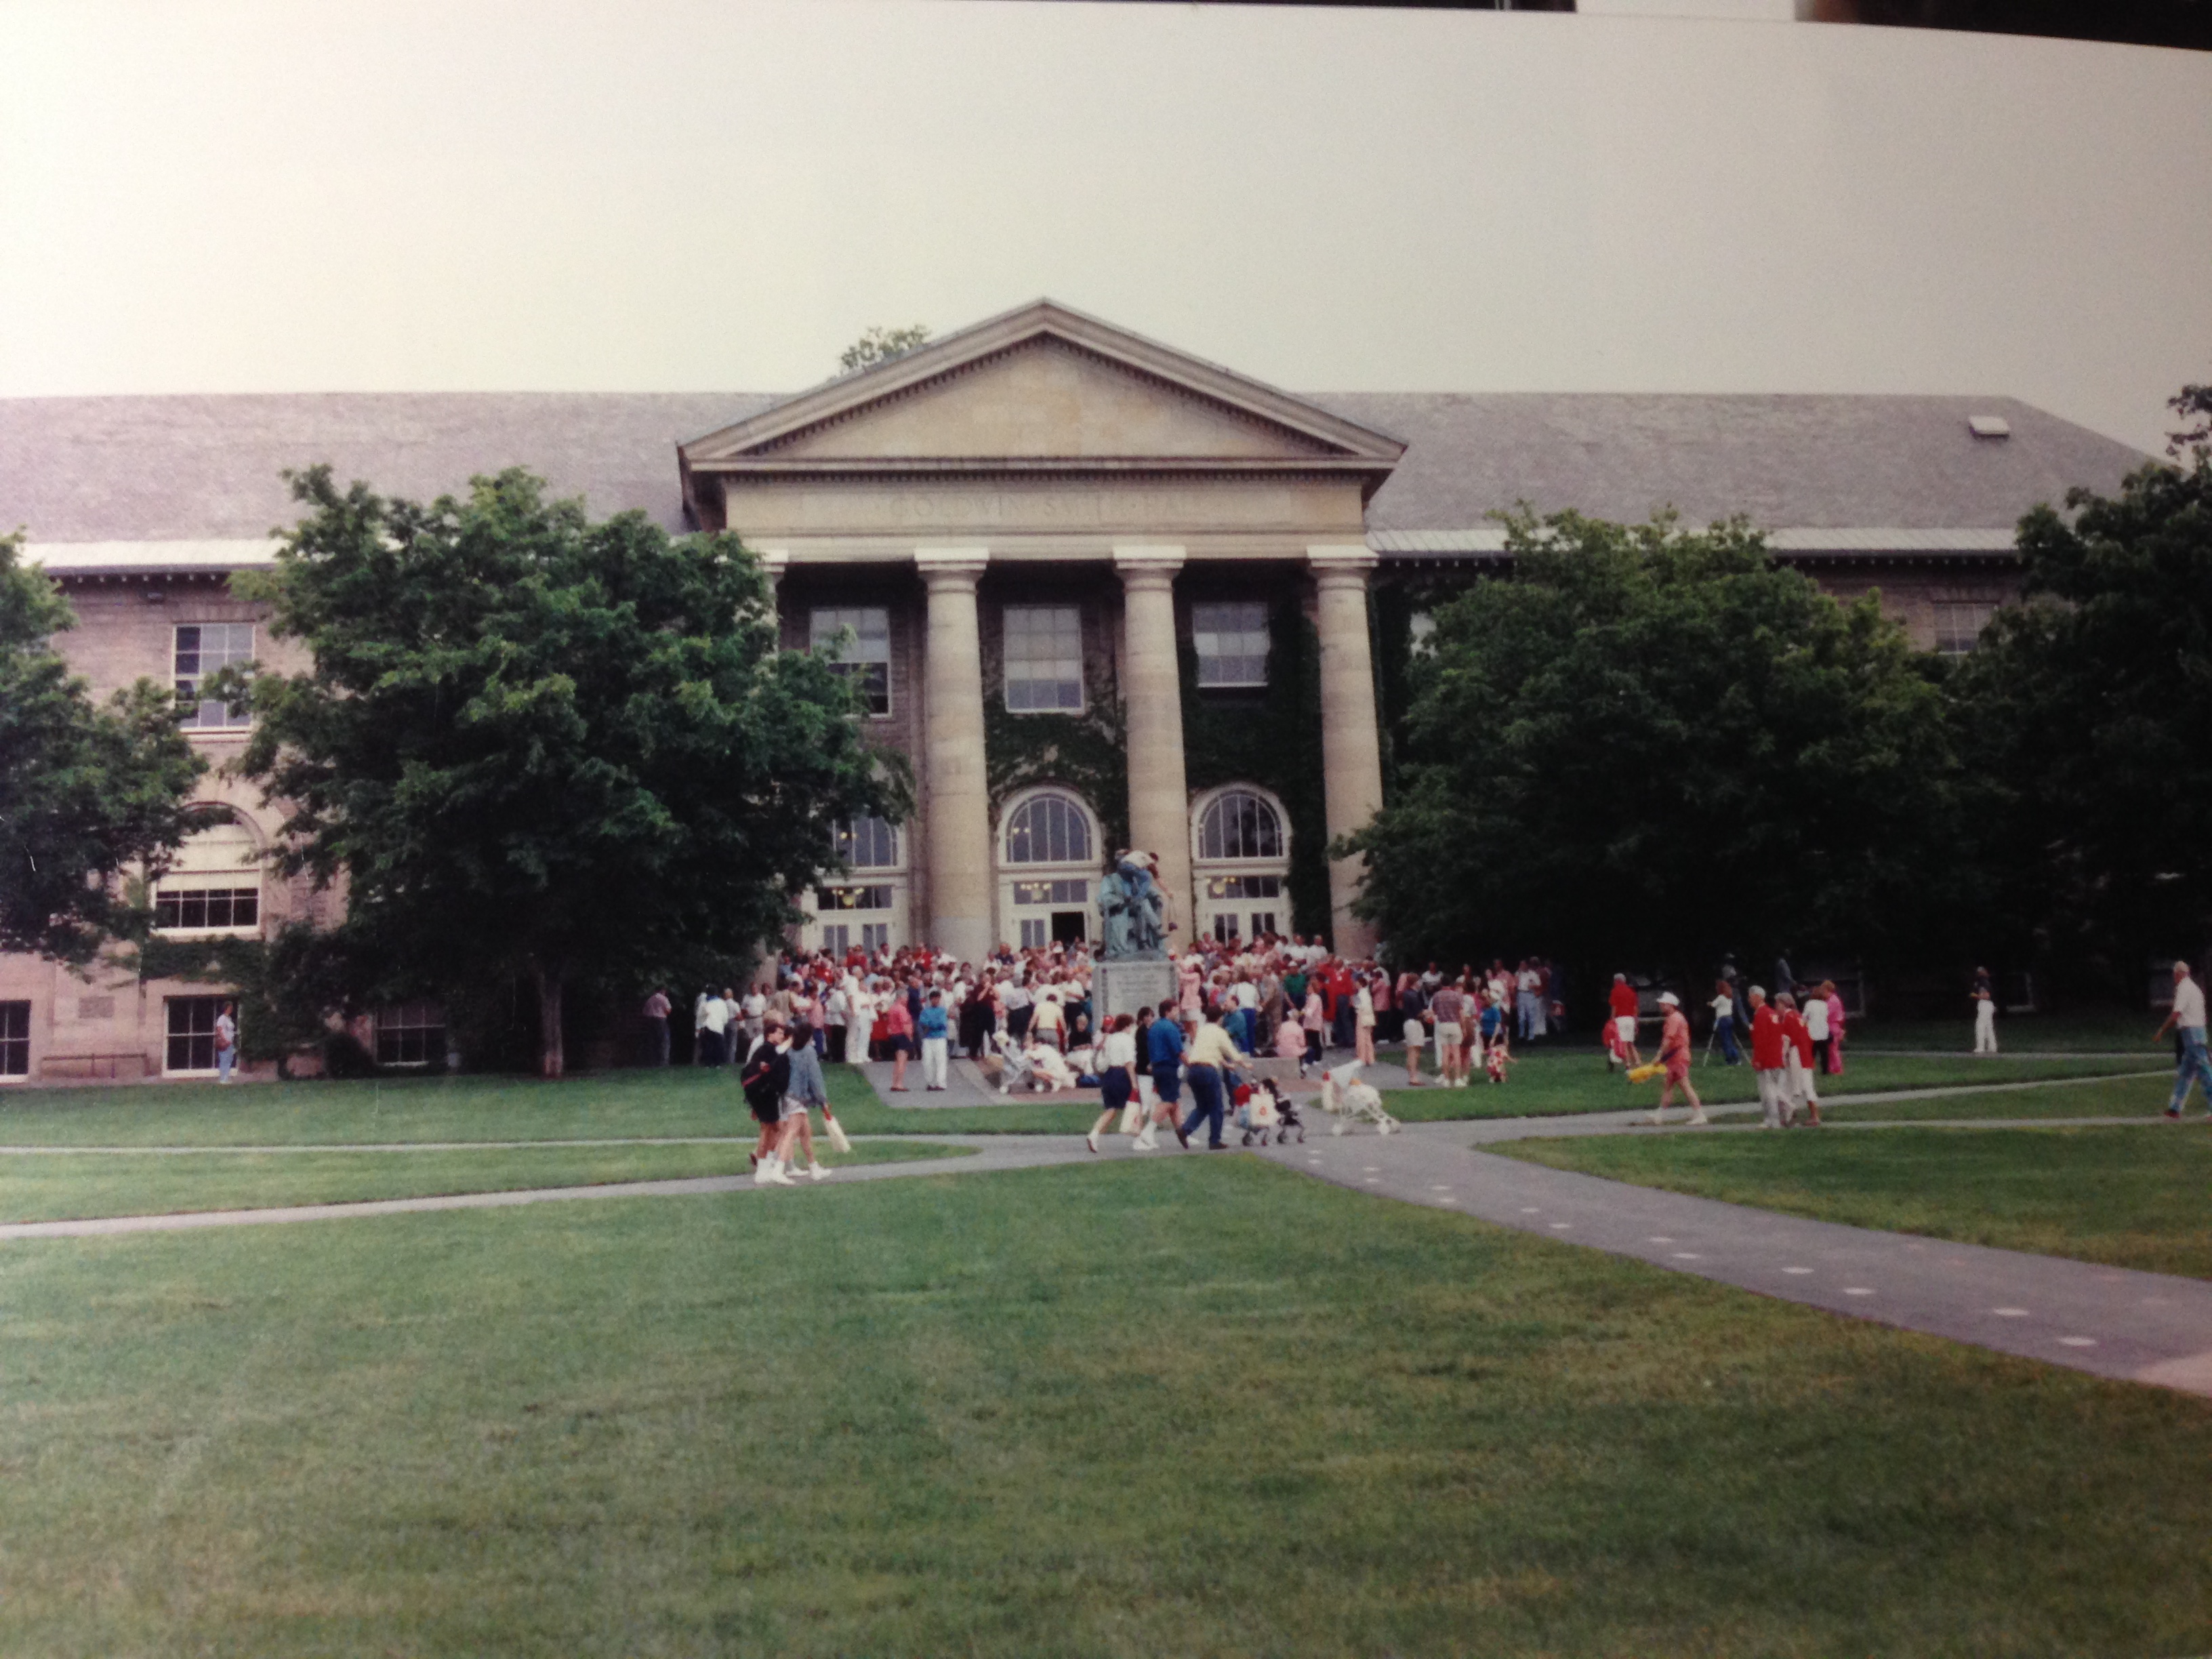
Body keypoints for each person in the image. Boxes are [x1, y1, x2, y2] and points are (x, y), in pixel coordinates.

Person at [777, 1021, 834, 1180]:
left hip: (786, 1095)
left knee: (806, 1133)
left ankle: (814, 1167)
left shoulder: (788, 1050)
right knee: (792, 1132)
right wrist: (823, 1100)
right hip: (799, 1097)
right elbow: (815, 1078)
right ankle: (778, 1169)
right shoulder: (808, 1051)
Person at [741, 1021, 796, 1185]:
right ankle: (763, 1168)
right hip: (767, 1095)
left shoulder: (762, 1050)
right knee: (769, 1130)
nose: (781, 1036)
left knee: (773, 1129)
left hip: (760, 1095)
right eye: (779, 1033)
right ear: (770, 1035)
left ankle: (766, 1165)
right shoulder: (769, 1050)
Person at [1179, 1010, 1242, 1151]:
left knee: (1202, 1106)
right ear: (1220, 1019)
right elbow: (1231, 1052)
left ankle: (1185, 1130)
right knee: (1217, 1106)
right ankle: (1215, 1140)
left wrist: (1226, 1065)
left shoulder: (1201, 1031)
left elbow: (1211, 1052)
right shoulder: (1220, 1032)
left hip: (1193, 1070)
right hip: (1208, 1070)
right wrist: (1243, 1063)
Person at [2156, 960, 2212, 1120]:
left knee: (2205, 1071)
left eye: (2174, 974)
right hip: (2197, 1032)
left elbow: (2176, 1014)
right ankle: (2175, 1109)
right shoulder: (2195, 989)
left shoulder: (2183, 988)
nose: (2174, 978)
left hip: (2191, 1034)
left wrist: (2162, 1030)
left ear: (2178, 974)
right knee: (2185, 1074)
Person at [1648, 991, 1708, 1126]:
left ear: (1671, 1005)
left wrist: (1659, 1056)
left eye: (1663, 1004)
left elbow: (1668, 1040)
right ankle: (1659, 1115)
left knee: (1684, 1086)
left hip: (1678, 1057)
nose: (1661, 1006)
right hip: (1675, 1057)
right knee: (1668, 1086)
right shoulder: (1676, 1017)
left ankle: (1699, 1114)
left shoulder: (1674, 1019)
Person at [1086, 1013, 1140, 1153]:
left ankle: (1094, 1134)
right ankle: (1139, 1137)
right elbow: (1129, 1062)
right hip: (1122, 1074)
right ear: (1127, 1026)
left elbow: (1105, 1059)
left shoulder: (1110, 1039)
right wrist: (1134, 1082)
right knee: (1136, 1105)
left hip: (1109, 1074)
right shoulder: (1127, 1040)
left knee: (1111, 1109)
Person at [1776, 991, 1821, 1127]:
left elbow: (1789, 1040)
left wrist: (1784, 1056)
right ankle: (1791, 1115)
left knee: (1799, 1087)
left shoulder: (1789, 1018)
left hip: (1797, 1058)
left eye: (1777, 1003)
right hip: (1804, 1056)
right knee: (1800, 1086)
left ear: (1783, 1004)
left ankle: (1812, 1116)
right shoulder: (1797, 1016)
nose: (1776, 1007)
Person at [1748, 986, 1789, 1130]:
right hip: (1775, 1057)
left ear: (1758, 997)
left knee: (1767, 1091)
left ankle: (1772, 1119)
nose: (1749, 1000)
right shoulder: (1772, 1014)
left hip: (1766, 1059)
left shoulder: (1761, 1015)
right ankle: (1781, 1116)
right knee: (1775, 1089)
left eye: (1751, 997)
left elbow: (1761, 1040)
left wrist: (1758, 1059)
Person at [1147, 1001, 1187, 1145]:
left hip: (1157, 1067)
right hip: (1168, 1066)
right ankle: (1148, 1130)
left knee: (1174, 1101)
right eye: (1175, 1010)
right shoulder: (1170, 1028)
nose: (1178, 1012)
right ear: (1168, 1011)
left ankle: (1183, 1133)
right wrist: (1191, 1065)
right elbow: (1179, 1051)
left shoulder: (1154, 1027)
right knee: (1168, 1101)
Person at [917, 988, 951, 1090]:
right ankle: (930, 1082)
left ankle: (941, 1083)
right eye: (934, 999)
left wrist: (930, 1024)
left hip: (940, 1037)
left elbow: (942, 1024)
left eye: (938, 999)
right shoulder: (925, 1011)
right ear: (931, 999)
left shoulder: (943, 1010)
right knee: (927, 1061)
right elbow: (922, 1023)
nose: (936, 1001)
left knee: (940, 1061)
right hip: (928, 1038)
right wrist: (932, 1024)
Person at [1607, 973, 1643, 1070]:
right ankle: (1639, 1064)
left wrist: (1612, 1020)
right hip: (1631, 1020)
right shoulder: (1632, 992)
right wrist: (1636, 1023)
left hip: (1620, 1020)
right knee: (1631, 1044)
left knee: (1623, 1044)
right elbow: (1635, 1009)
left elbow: (1614, 1008)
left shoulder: (1615, 992)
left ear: (1616, 981)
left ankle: (1628, 1066)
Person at [884, 991, 915, 1091]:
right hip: (902, 1035)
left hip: (893, 1035)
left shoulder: (892, 1008)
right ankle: (899, 1084)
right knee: (902, 1060)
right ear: (901, 997)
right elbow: (905, 1024)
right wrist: (910, 1036)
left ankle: (894, 1082)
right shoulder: (902, 1009)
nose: (907, 1000)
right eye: (906, 997)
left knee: (897, 1061)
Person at [1803, 981, 1832, 1075]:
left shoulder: (1809, 1004)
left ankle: (1809, 1069)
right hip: (1823, 1031)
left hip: (1812, 1032)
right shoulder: (1824, 1004)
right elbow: (1826, 1016)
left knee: (1812, 1053)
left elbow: (1805, 1017)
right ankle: (1825, 1070)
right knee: (1824, 1053)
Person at [1709, 979, 1740, 1065]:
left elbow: (1713, 1004)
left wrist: (1709, 1003)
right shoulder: (1729, 997)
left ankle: (1730, 1059)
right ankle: (1736, 1058)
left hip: (1723, 1020)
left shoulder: (1721, 997)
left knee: (1725, 1040)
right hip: (1730, 1019)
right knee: (1730, 1039)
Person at [1822, 981, 1847, 1076]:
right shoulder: (1831, 999)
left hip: (1833, 1026)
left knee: (1833, 1049)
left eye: (1824, 990)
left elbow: (1827, 1013)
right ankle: (1833, 1068)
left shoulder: (1833, 1000)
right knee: (1830, 1049)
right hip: (1831, 1026)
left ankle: (1837, 1069)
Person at [641, 987, 671, 1067]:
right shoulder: (664, 999)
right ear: (663, 991)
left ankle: (652, 1062)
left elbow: (645, 1012)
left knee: (652, 1041)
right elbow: (668, 1010)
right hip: (661, 1020)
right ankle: (663, 1062)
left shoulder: (650, 999)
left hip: (651, 1021)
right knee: (664, 1041)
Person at [1971, 968, 1998, 1054]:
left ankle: (1981, 1047)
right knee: (1989, 1027)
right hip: (1990, 1005)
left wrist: (1974, 995)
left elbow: (1985, 996)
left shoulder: (1982, 982)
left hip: (1984, 1004)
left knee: (1980, 1026)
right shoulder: (1988, 982)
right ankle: (1992, 1047)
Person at [213, 1000, 239, 1084]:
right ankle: (222, 1079)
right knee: (224, 1059)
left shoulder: (229, 1018)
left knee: (229, 1059)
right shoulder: (222, 1018)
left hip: (230, 1042)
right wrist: (225, 1040)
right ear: (226, 1008)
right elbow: (219, 1029)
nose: (231, 1009)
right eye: (230, 1008)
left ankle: (226, 1077)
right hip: (225, 1042)